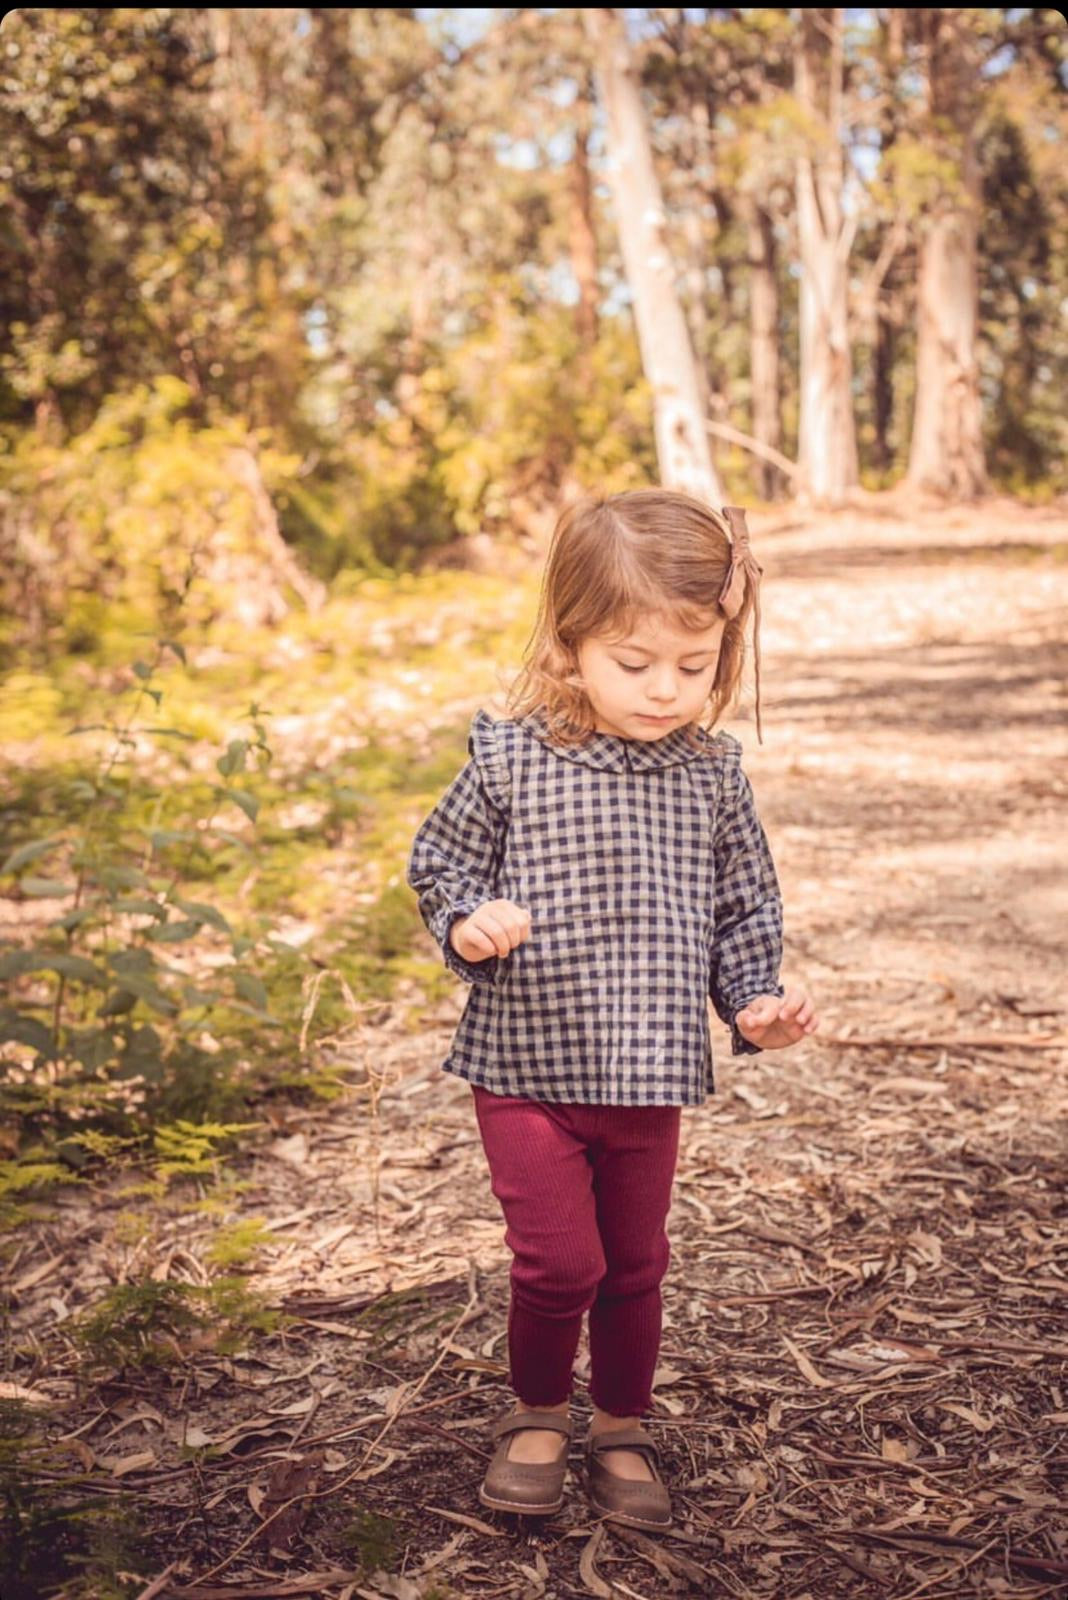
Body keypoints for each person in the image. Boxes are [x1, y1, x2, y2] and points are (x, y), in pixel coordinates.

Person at [406, 489, 819, 1530]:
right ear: (570, 638)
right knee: (560, 1262)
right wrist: (467, 921)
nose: (666, 689)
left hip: (648, 1073)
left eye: (695, 664)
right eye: (635, 663)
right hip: (527, 1065)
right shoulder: (511, 757)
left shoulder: (711, 776)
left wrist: (756, 1000)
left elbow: (742, 908)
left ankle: (621, 1426)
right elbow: (440, 862)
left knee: (634, 1266)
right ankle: (539, 1412)